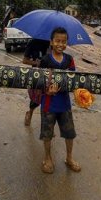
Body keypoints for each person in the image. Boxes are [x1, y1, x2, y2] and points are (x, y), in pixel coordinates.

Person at [38, 27, 81, 174]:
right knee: (47, 134)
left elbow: (73, 80)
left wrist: (79, 92)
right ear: (51, 42)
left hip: (64, 104)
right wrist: (47, 91)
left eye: (63, 41)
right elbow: (36, 82)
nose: (60, 44)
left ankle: (69, 158)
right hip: (48, 103)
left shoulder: (69, 60)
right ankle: (48, 157)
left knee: (69, 133)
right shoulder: (45, 60)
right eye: (57, 41)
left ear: (66, 42)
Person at [21, 38, 51, 126]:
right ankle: (30, 113)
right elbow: (24, 60)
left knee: (49, 99)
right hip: (36, 75)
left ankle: (48, 125)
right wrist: (36, 63)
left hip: (49, 76)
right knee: (36, 99)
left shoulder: (52, 43)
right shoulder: (33, 43)